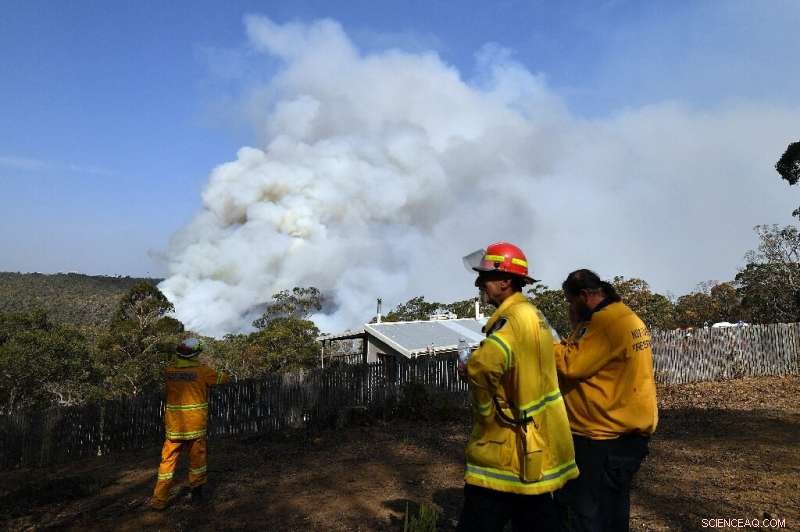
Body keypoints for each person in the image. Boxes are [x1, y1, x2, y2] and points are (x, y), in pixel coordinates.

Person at [457, 242, 578, 532]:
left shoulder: (510, 323)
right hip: (538, 439)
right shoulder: (534, 315)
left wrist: (469, 371)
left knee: (481, 518)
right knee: (536, 516)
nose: (479, 283)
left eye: (485, 277)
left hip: (506, 444)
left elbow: (484, 368)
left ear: (504, 281)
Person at [554, 269, 658, 532]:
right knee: (613, 508)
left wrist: (547, 342)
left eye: (570, 301)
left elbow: (569, 364)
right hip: (627, 432)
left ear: (585, 295)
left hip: (602, 437)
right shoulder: (626, 316)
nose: (569, 308)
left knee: (589, 514)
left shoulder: (602, 323)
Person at [149, 338, 229, 510]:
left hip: (174, 426)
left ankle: (159, 499)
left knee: (167, 462)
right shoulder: (202, 371)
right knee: (197, 461)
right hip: (195, 426)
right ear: (196, 354)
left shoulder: (169, 371)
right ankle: (197, 496)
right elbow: (222, 379)